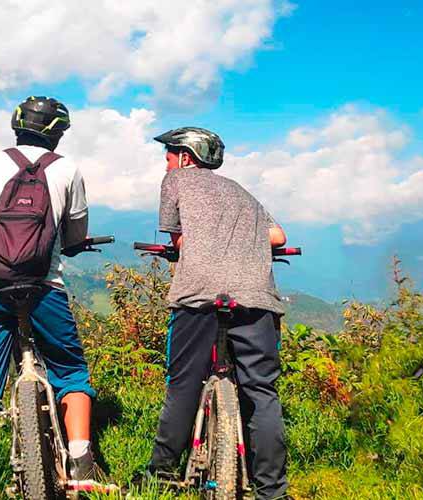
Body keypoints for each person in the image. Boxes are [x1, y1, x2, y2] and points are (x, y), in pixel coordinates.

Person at [0, 96, 99, 499]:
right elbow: (74, 234)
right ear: (58, 133)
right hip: (42, 286)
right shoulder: (68, 168)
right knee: (70, 370)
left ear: (16, 125)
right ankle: (81, 463)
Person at [143, 126, 289, 499]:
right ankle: (272, 490)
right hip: (256, 297)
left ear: (185, 158)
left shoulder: (176, 180)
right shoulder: (241, 191)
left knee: (183, 383)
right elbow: (279, 237)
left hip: (199, 295)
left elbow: (179, 239)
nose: (166, 164)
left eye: (169, 157)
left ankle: (160, 474)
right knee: (261, 390)